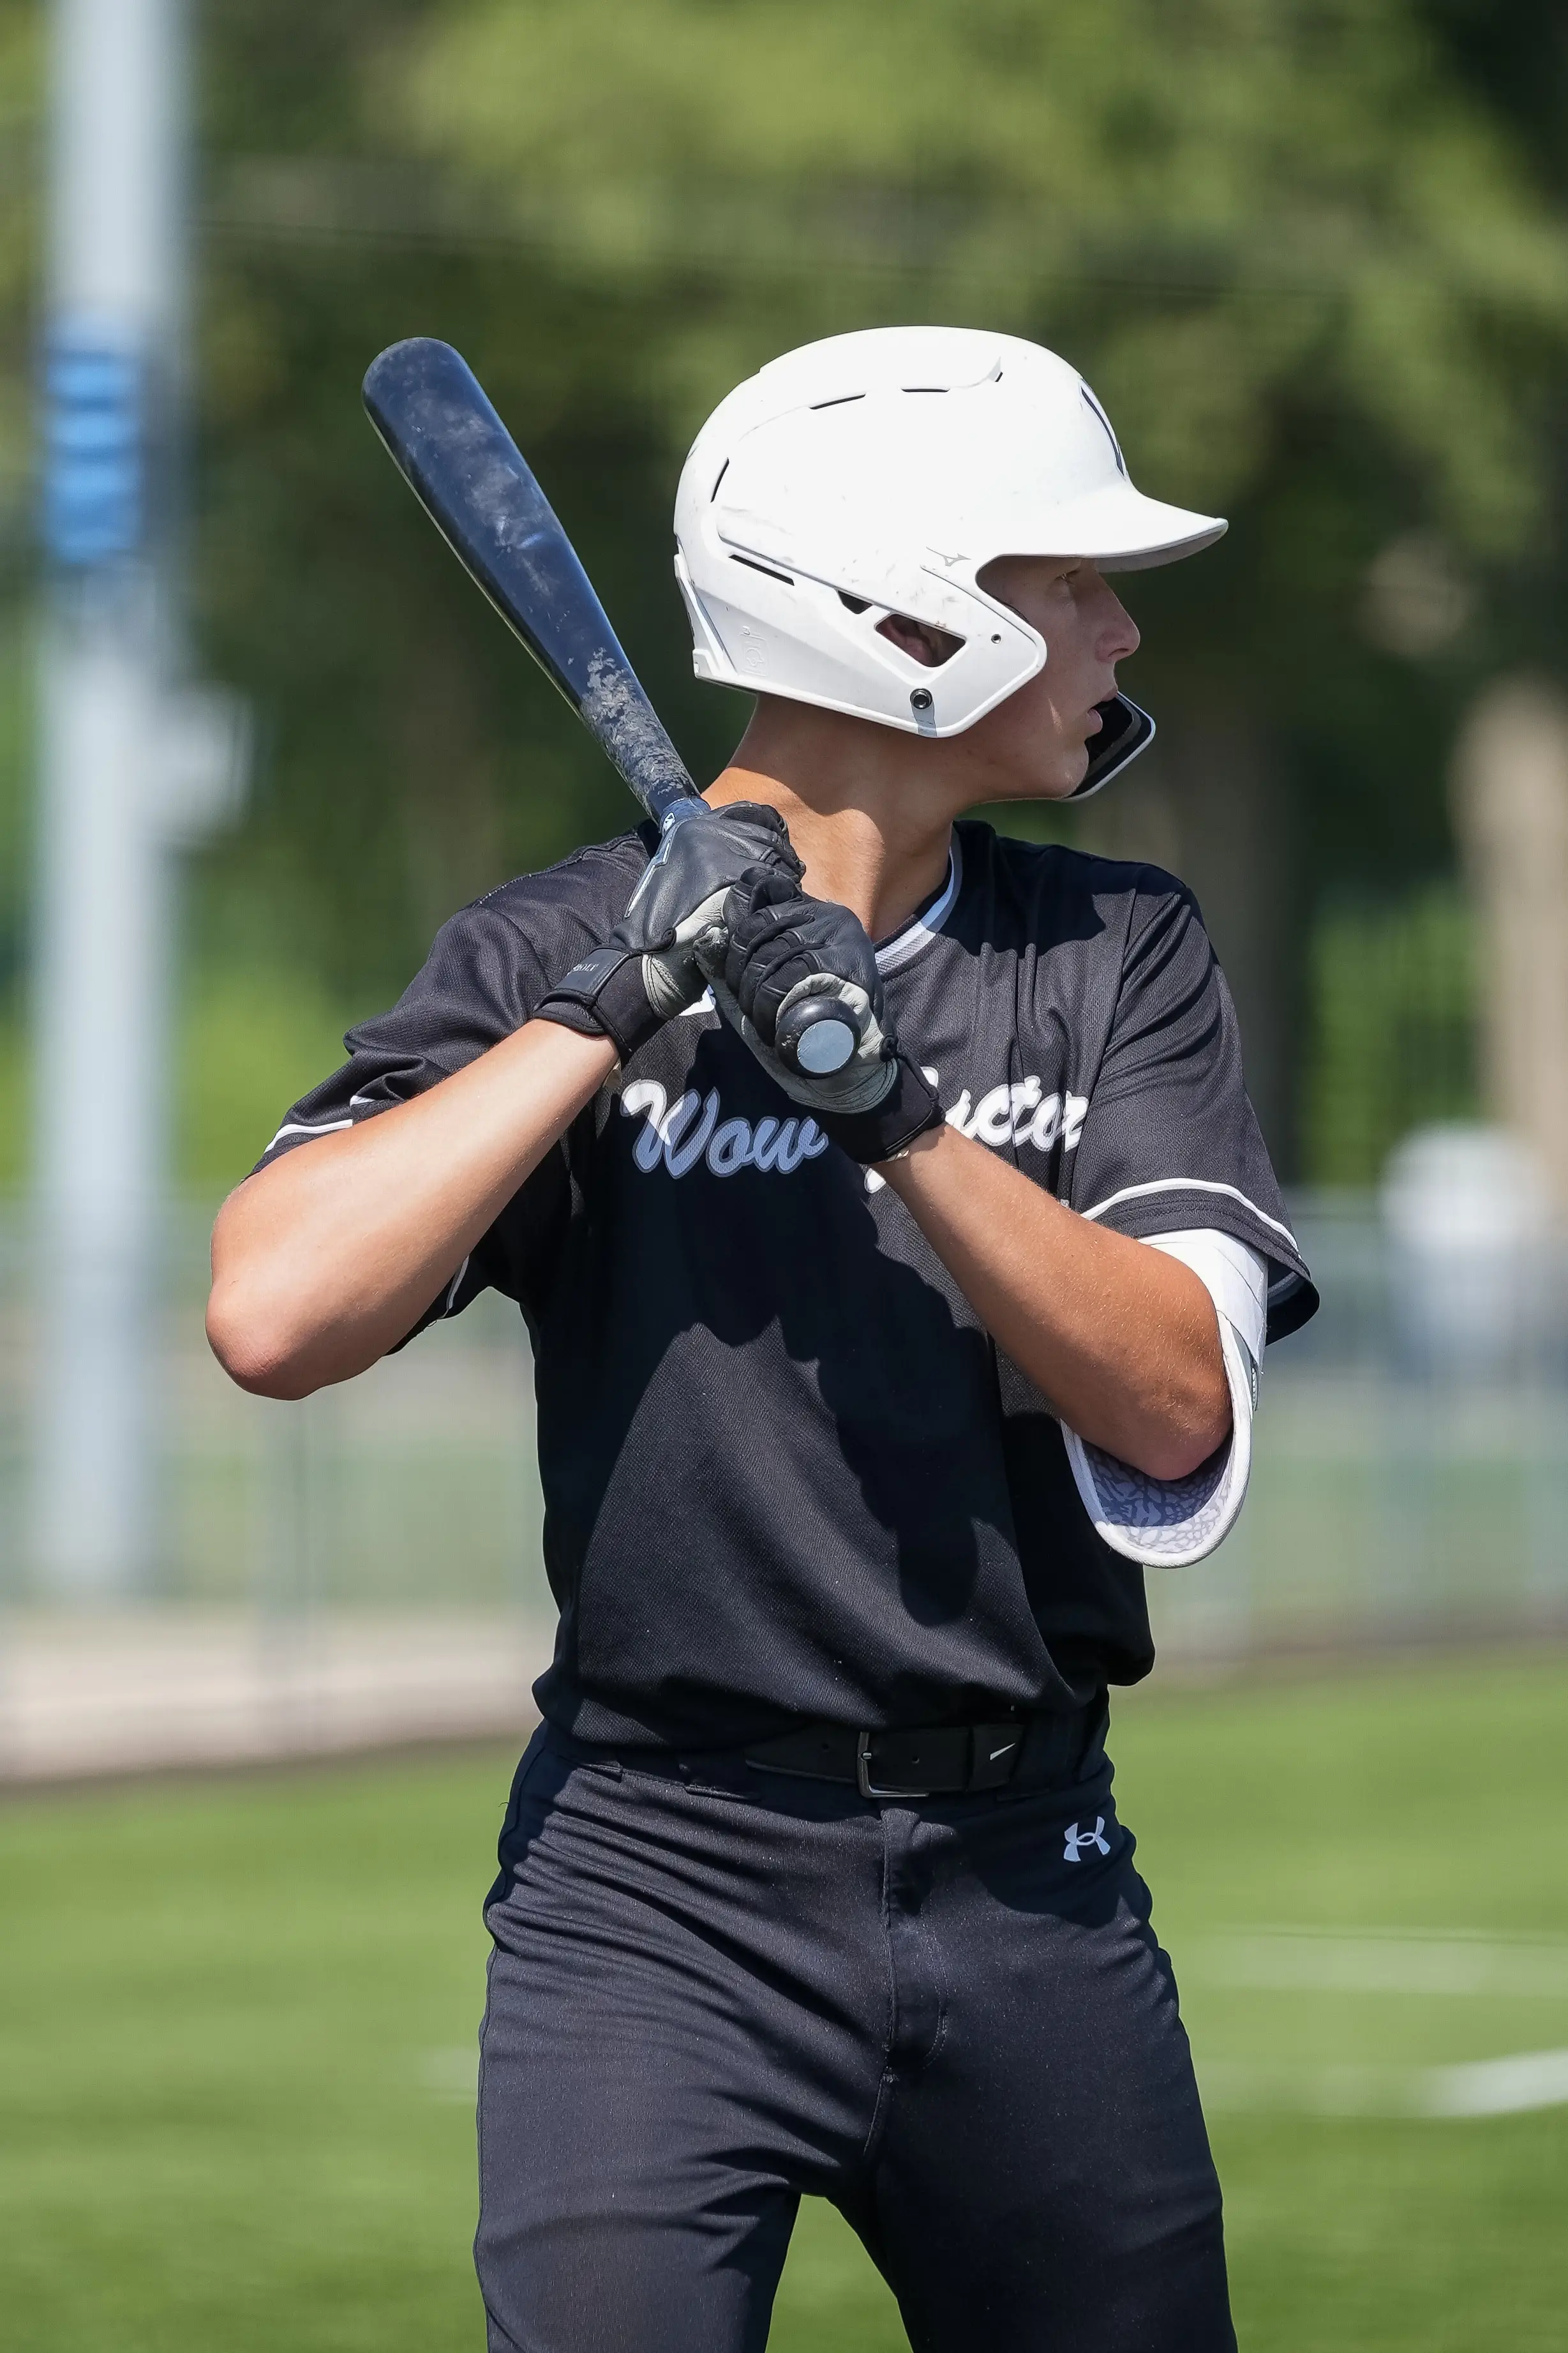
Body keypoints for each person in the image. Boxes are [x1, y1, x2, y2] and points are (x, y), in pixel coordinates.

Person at [209, 326, 1317, 2353]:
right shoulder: (549, 950)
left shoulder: (1115, 954)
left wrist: (889, 1108)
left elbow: (1173, 1404)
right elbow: (275, 1310)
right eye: (1071, 581)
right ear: (906, 618)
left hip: (1029, 1867)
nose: (1119, 626)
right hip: (652, 1886)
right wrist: (618, 994)